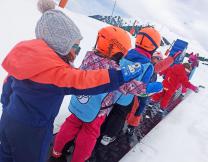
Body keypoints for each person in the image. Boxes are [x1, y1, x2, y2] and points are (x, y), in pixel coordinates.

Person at [0, 1, 143, 162]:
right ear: (60, 44)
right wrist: (119, 76)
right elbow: (83, 80)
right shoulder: (56, 73)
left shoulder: (27, 57)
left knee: (5, 155)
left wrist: (9, 108)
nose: (77, 51)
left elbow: (6, 89)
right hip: (33, 131)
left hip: (8, 120)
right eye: (75, 46)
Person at [49, 26, 162, 162]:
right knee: (89, 134)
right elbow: (128, 87)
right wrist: (148, 88)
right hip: (98, 111)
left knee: (70, 124)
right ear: (116, 50)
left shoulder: (88, 57)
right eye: (122, 54)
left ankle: (56, 152)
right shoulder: (114, 70)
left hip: (79, 104)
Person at [100, 27, 164, 146]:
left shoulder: (126, 54)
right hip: (126, 98)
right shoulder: (148, 65)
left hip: (112, 91)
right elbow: (142, 88)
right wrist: (157, 87)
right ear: (153, 47)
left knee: (108, 111)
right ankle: (107, 137)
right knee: (119, 116)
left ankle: (100, 130)